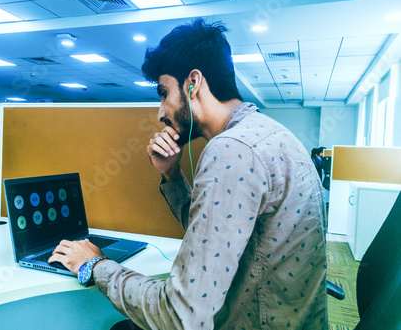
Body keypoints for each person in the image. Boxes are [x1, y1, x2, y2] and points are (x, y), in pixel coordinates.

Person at [48, 18, 328, 329]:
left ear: (192, 83)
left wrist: (95, 265)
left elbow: (179, 316)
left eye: (163, 92)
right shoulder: (268, 134)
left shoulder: (232, 150)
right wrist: (172, 175)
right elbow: (219, 238)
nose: (160, 112)